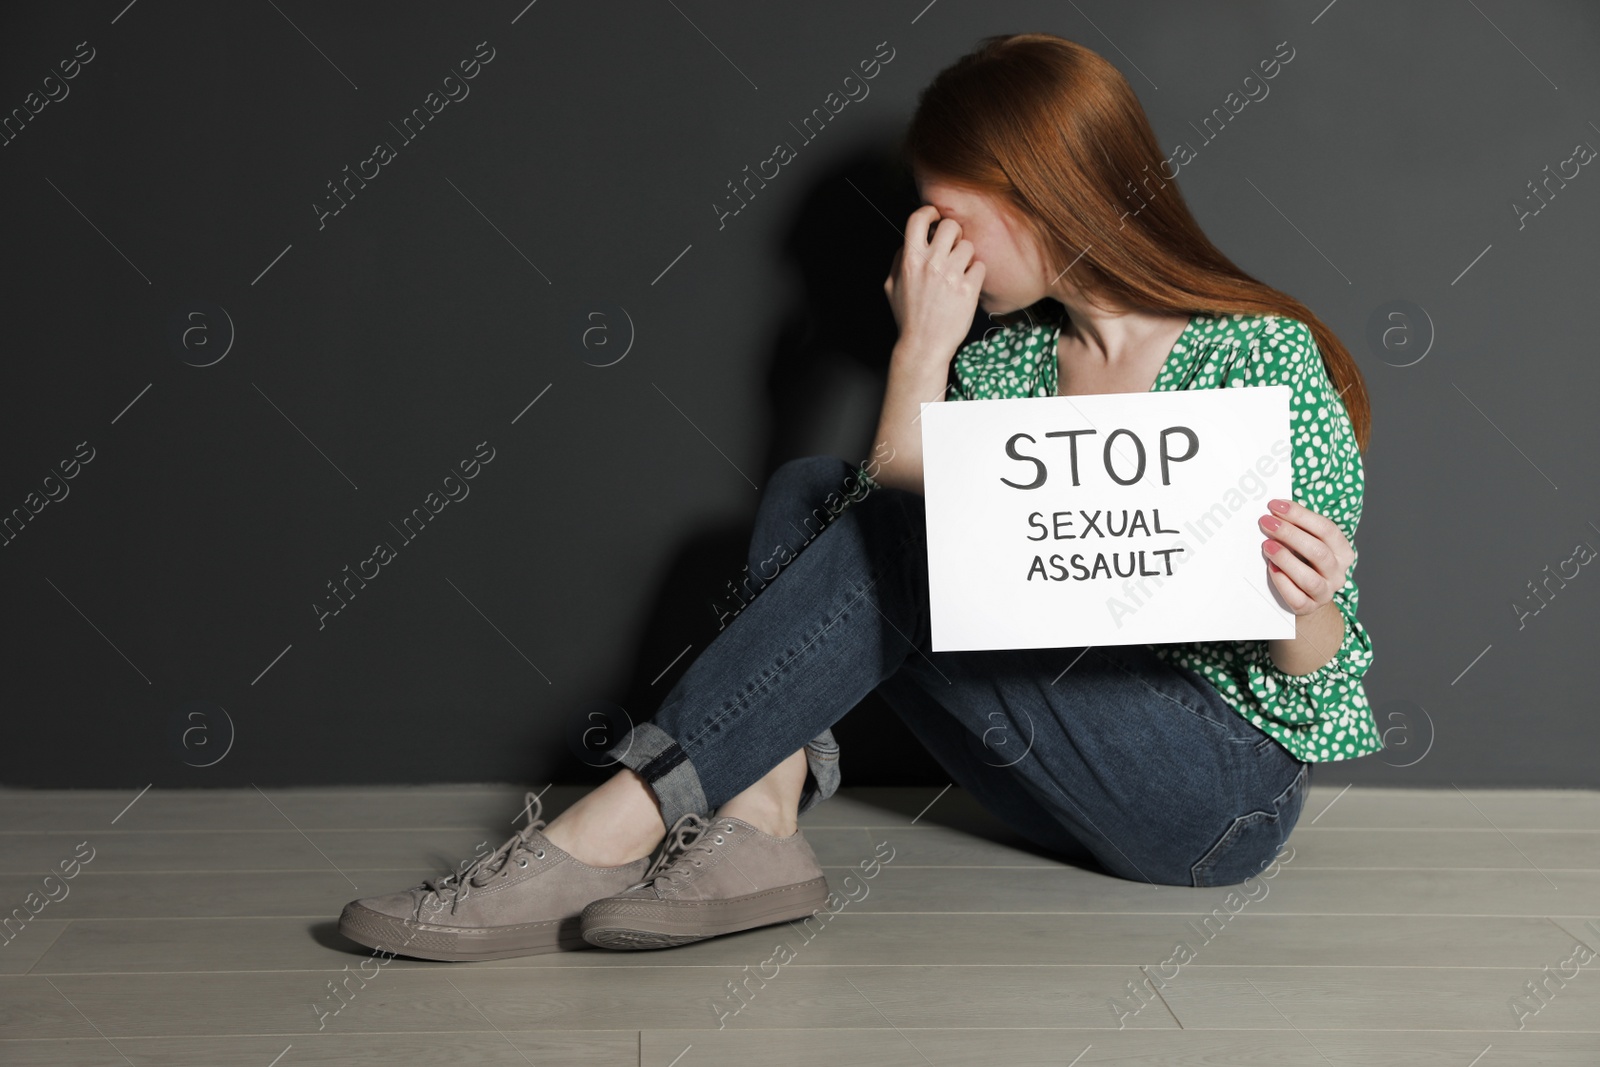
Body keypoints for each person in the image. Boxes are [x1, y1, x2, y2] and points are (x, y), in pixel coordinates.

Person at [338, 32, 1377, 963]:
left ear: (1039, 195)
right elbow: (892, 546)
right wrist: (922, 351)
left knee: (884, 526)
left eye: (950, 217)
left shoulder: (1259, 357)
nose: (930, 242)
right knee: (814, 491)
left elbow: (1315, 673)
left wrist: (1304, 598)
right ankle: (758, 827)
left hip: (1212, 795)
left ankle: (605, 827)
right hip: (1046, 777)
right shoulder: (1007, 363)